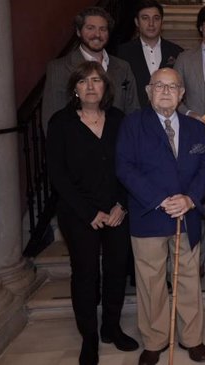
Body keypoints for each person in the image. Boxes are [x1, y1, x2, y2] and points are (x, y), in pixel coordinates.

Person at [116, 68, 205, 365]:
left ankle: (192, 338)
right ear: (148, 91)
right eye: (160, 86)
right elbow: (124, 167)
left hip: (186, 215)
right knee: (151, 281)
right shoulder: (132, 124)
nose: (167, 91)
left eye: (173, 87)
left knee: (187, 279)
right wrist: (160, 200)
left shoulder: (196, 128)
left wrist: (189, 199)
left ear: (182, 93)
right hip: (149, 215)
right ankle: (155, 339)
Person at [46, 61, 138, 365]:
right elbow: (57, 175)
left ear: (105, 87)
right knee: (85, 275)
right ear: (75, 87)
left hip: (116, 212)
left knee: (116, 271)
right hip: (78, 214)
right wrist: (89, 212)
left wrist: (120, 205)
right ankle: (89, 337)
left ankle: (111, 327)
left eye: (96, 80)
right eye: (84, 81)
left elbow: (131, 167)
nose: (90, 86)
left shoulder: (119, 120)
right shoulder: (60, 123)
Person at [42, 6, 139, 131]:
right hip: (77, 147)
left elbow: (133, 112)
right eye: (90, 28)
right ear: (78, 31)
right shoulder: (58, 69)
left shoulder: (123, 67)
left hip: (119, 145)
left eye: (103, 29)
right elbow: (51, 121)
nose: (97, 34)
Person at [117, 0, 184, 106]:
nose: (151, 24)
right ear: (136, 22)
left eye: (156, 18)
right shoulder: (122, 52)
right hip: (135, 117)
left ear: (162, 21)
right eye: (145, 18)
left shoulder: (177, 52)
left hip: (169, 115)